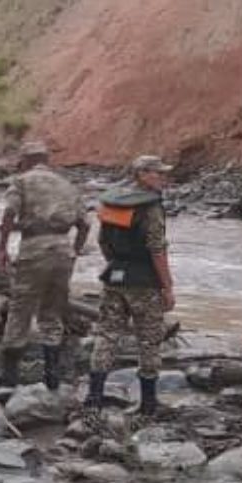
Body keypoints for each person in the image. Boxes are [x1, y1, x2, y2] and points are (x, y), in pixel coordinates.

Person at [86, 155, 176, 417]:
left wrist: (115, 264)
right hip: (144, 281)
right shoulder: (151, 207)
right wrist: (167, 287)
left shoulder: (112, 201)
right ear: (142, 175)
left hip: (114, 275)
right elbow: (157, 249)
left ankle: (94, 398)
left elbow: (103, 240)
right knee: (149, 340)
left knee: (106, 334)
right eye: (158, 173)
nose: (163, 178)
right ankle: (148, 405)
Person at [0, 142, 90, 389]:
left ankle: (9, 376)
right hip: (63, 249)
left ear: (26, 160)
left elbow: (8, 215)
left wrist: (2, 247)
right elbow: (85, 225)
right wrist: (76, 251)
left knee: (21, 308)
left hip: (34, 248)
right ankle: (52, 377)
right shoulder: (68, 185)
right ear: (47, 160)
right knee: (52, 311)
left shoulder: (22, 181)